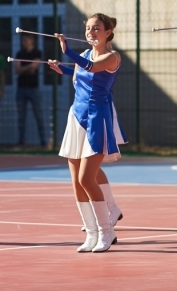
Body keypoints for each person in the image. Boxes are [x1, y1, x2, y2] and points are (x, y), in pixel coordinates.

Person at [49, 13, 121, 253]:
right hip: (76, 117)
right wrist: (63, 69)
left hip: (96, 118)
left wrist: (66, 51)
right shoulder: (85, 56)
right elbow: (82, 72)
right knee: (76, 182)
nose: (91, 32)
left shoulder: (112, 57)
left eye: (96, 28)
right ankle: (91, 235)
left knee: (86, 178)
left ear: (107, 32)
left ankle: (107, 233)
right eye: (88, 28)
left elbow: (92, 68)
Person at [14, 34, 45, 147]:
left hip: (33, 88)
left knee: (39, 116)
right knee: (21, 117)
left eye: (26, 40)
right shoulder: (19, 54)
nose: (24, 42)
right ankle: (21, 141)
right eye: (23, 40)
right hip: (21, 88)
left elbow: (34, 67)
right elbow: (17, 70)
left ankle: (43, 142)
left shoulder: (37, 52)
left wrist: (24, 68)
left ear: (32, 41)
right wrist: (28, 67)